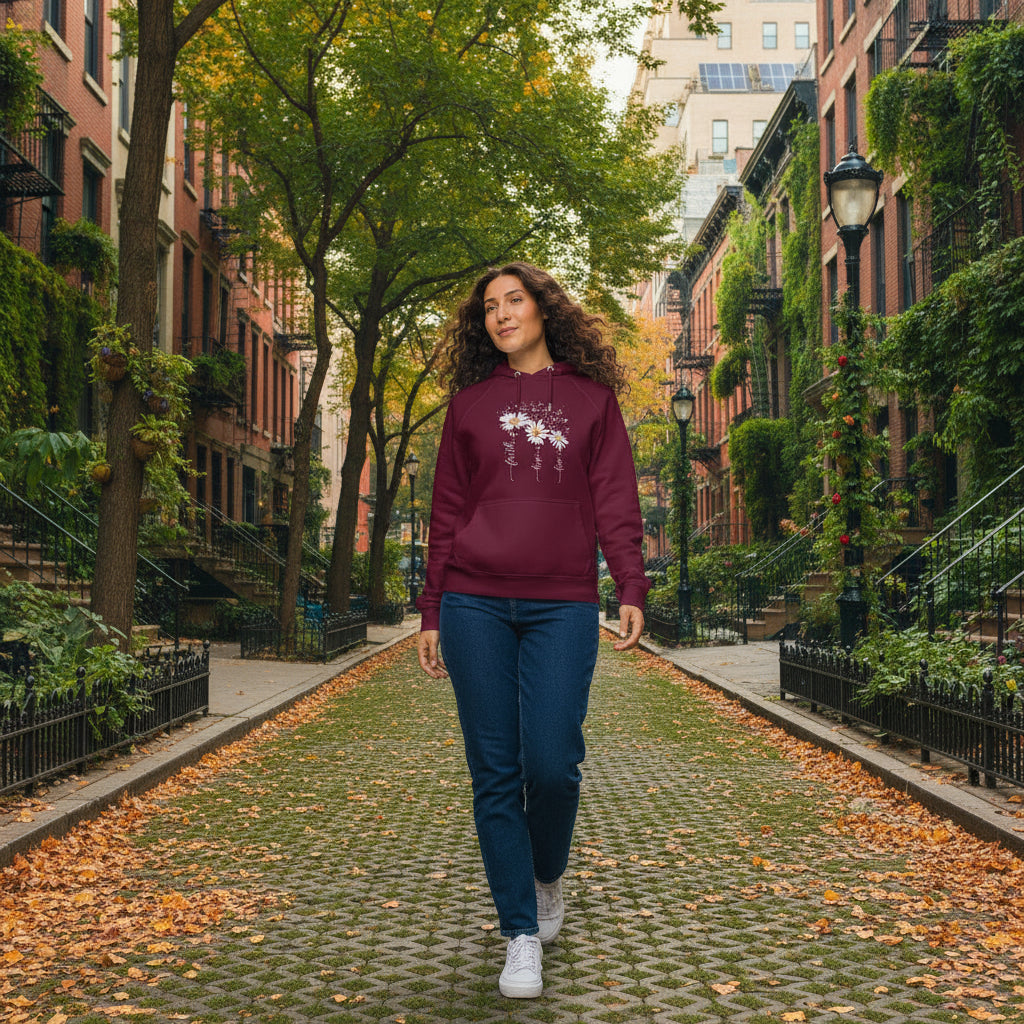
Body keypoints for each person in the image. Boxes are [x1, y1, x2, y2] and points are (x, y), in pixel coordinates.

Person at [416, 262, 649, 999]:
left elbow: (614, 497)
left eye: (514, 300)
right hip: (474, 602)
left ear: (545, 309)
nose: (502, 314)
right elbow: (446, 511)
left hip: (563, 603)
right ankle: (520, 932)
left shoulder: (591, 401)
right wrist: (431, 607)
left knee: (551, 764)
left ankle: (548, 875)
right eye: (489, 307)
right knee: (494, 772)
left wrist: (630, 583)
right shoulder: (469, 407)